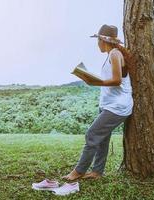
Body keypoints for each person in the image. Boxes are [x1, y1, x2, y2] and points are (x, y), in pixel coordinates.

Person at [62, 24, 133, 180]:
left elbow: (116, 80)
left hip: (118, 106)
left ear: (103, 40)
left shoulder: (114, 54)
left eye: (98, 40)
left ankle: (79, 171)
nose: (97, 44)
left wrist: (94, 82)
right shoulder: (112, 54)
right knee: (102, 139)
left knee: (92, 134)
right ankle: (97, 172)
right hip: (109, 105)